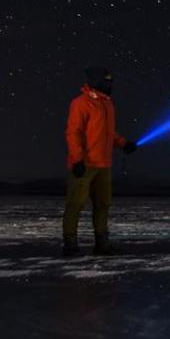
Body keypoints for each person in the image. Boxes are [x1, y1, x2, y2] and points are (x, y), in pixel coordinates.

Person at [63, 66, 138, 256]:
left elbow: (108, 133)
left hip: (104, 164)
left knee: (103, 204)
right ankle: (70, 245)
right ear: (96, 81)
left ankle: (102, 244)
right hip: (85, 164)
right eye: (107, 80)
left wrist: (123, 143)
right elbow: (74, 133)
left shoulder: (108, 104)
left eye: (111, 80)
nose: (110, 84)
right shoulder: (80, 103)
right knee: (76, 204)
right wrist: (77, 160)